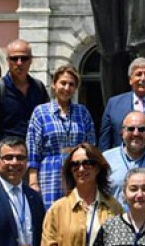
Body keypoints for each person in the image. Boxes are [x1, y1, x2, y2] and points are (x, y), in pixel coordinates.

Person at [0, 39, 50, 178]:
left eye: (24, 58)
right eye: (15, 59)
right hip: (7, 163)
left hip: (33, 164)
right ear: (8, 61)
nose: (19, 63)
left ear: (30, 60)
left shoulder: (38, 89)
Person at [27, 65, 96, 208]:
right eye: (63, 83)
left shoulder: (82, 112)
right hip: (49, 174)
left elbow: (91, 147)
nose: (67, 88)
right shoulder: (41, 112)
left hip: (78, 171)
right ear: (54, 85)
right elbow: (33, 148)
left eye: (71, 84)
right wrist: (33, 180)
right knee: (51, 217)